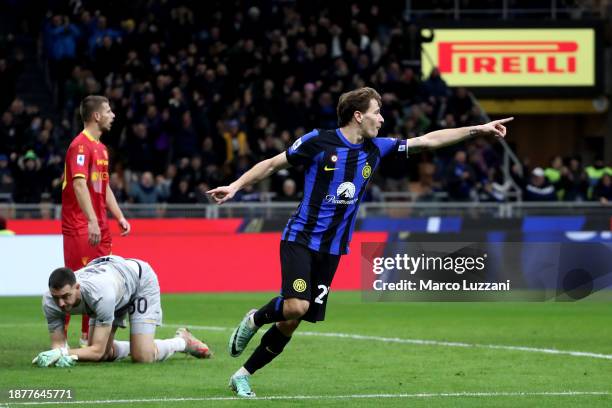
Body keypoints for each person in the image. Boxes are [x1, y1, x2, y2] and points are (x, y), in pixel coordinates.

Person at [207, 87, 512, 397]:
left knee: (293, 321)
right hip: (300, 237)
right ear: (358, 115)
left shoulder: (377, 148)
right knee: (296, 305)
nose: (381, 119)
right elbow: (273, 164)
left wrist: (479, 129)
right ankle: (255, 318)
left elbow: (428, 140)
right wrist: (235, 185)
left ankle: (242, 375)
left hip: (333, 248)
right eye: (376, 112)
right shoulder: (318, 141)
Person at [34, 255, 212, 367]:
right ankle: (135, 345)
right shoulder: (50, 301)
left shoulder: (100, 295)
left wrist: (64, 353)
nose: (61, 303)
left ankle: (182, 341)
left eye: (65, 296)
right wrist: (58, 355)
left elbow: (94, 352)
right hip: (114, 282)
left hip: (139, 282)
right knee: (104, 354)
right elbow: (58, 345)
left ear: (77, 287)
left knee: (142, 356)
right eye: (56, 297)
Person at [61, 95, 131, 345]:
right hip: (80, 225)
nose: (113, 115)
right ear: (96, 116)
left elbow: (104, 185)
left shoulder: (101, 149)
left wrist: (118, 216)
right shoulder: (80, 146)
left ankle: (86, 338)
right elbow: (79, 185)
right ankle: (61, 340)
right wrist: (91, 220)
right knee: (75, 281)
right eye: (109, 111)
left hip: (99, 225)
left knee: (98, 282)